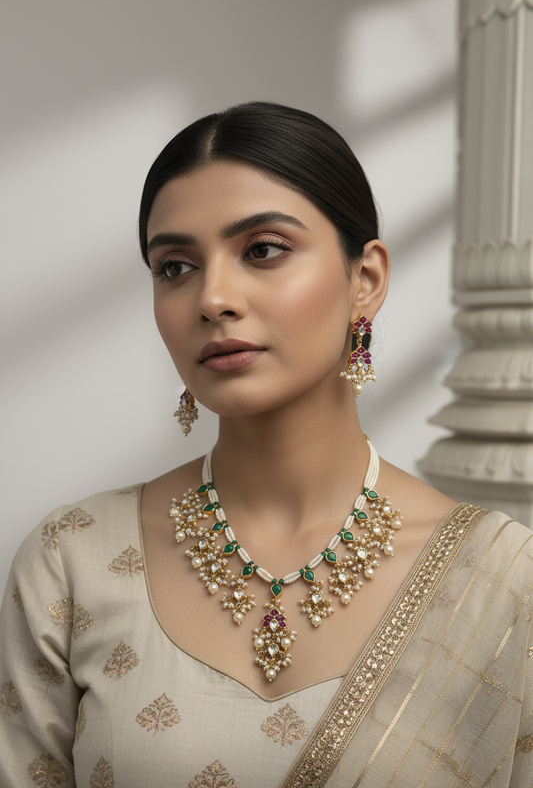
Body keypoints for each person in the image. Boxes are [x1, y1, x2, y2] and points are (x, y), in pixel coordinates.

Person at [0, 102, 532, 788]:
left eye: (262, 250)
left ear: (363, 280)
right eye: (174, 266)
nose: (212, 297)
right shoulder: (73, 560)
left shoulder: (501, 582)